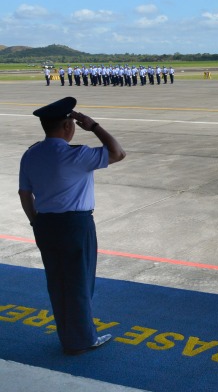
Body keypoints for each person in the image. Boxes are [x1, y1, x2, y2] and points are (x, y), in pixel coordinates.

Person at [18, 97, 126, 355]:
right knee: (79, 282)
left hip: (44, 224)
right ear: (68, 126)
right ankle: (82, 340)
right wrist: (95, 126)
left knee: (57, 282)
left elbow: (24, 193)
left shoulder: (31, 153)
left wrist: (36, 222)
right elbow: (118, 153)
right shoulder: (77, 154)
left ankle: (68, 336)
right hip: (75, 225)